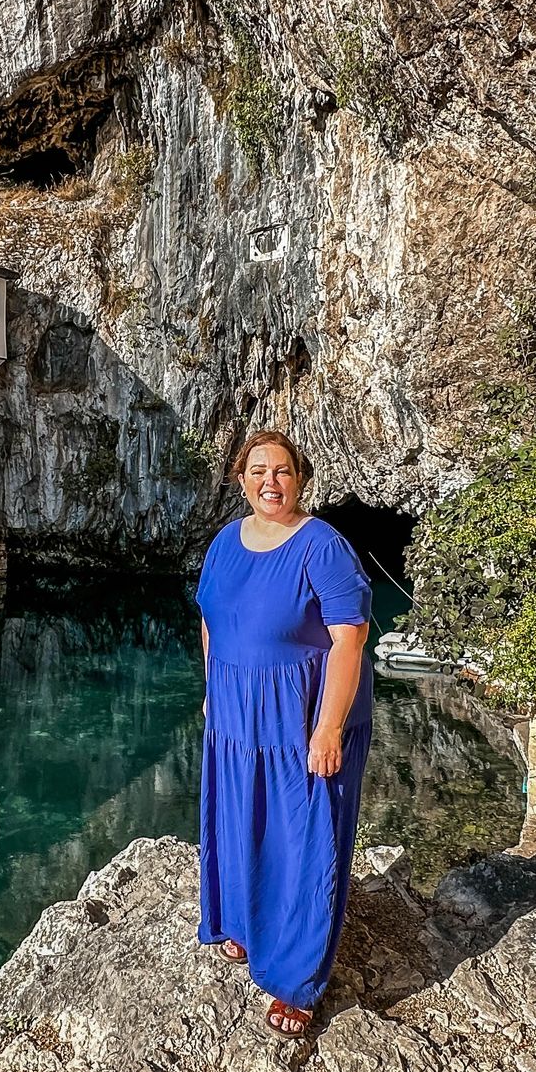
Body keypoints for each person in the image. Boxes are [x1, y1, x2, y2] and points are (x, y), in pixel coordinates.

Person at [195, 430, 373, 1040]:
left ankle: (297, 979)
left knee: (304, 838)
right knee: (240, 820)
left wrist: (327, 728)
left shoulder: (322, 547)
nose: (271, 482)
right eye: (258, 471)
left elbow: (350, 639)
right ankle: (244, 924)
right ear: (239, 480)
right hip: (235, 717)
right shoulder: (224, 541)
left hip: (300, 718)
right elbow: (211, 620)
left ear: (301, 479)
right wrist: (211, 690)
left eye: (284, 471)